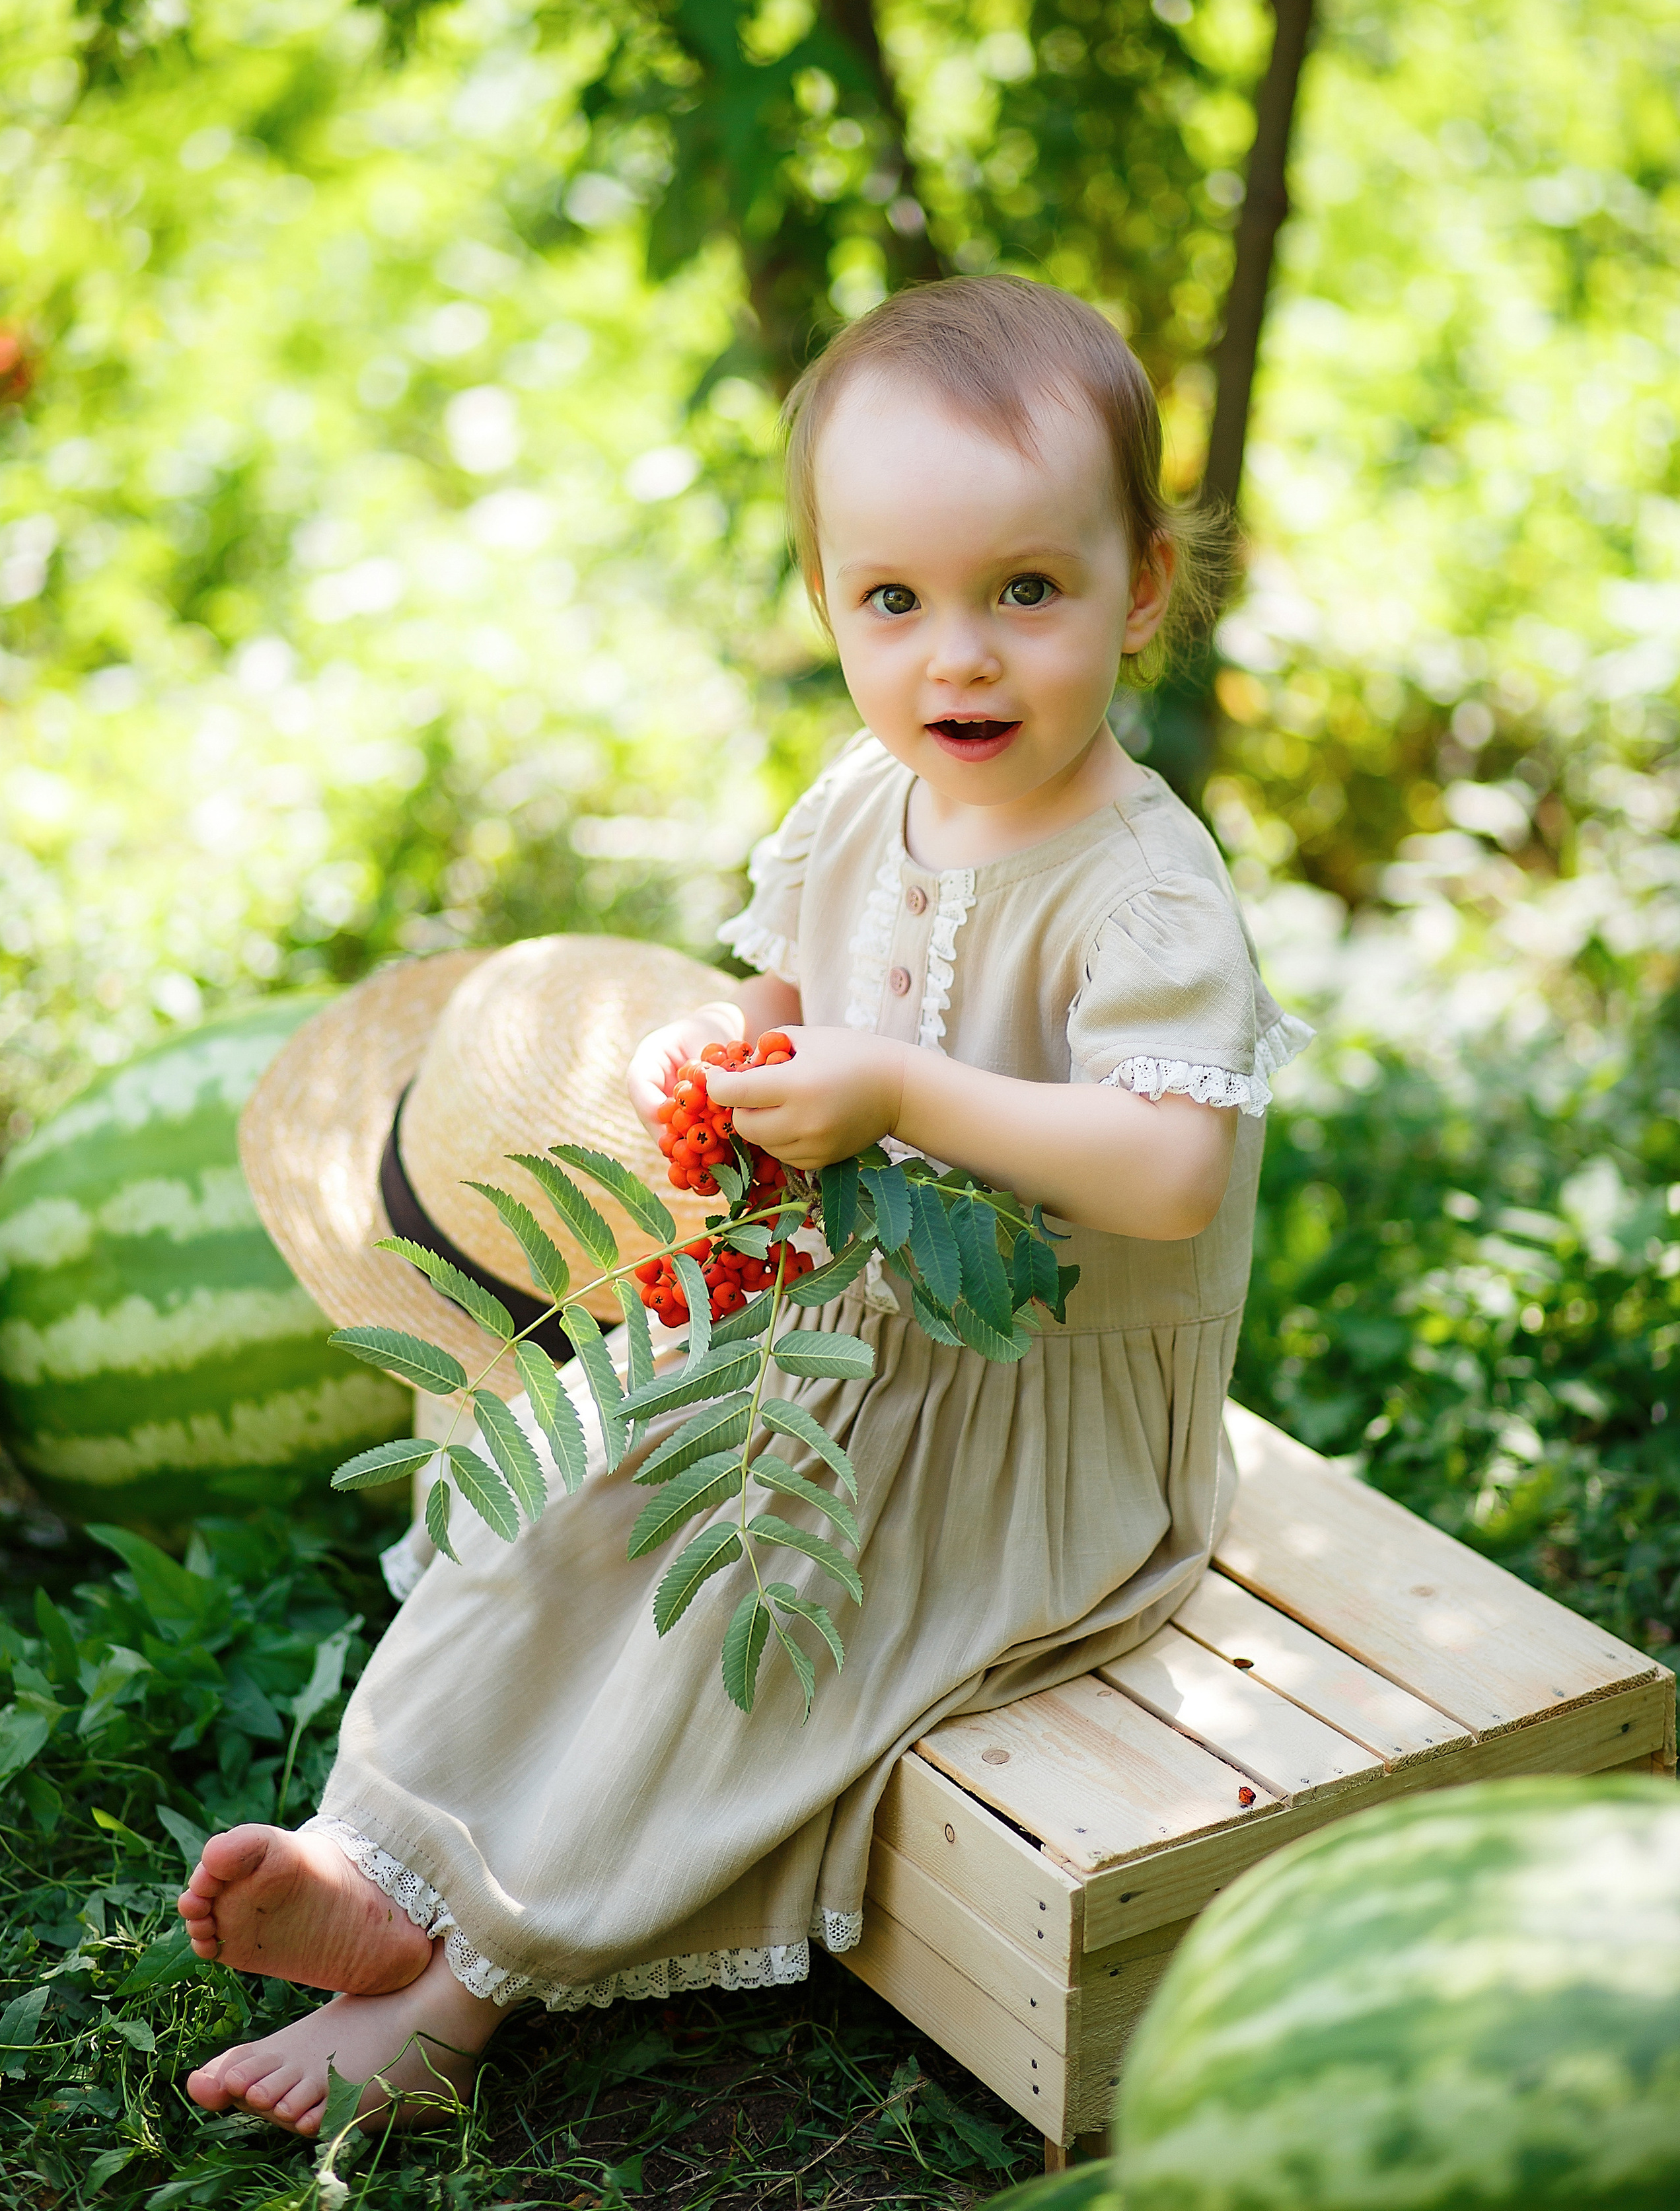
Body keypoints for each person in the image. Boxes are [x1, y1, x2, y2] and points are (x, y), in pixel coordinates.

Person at [177, 274, 1309, 2137]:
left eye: (1028, 590)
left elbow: (1171, 1168)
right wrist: (741, 1058)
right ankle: (376, 1852)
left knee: (740, 1619)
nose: (961, 658)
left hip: (1031, 1417)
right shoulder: (865, 803)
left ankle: (463, 1992)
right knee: (561, 1481)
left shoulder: (1146, 889)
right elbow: (792, 1002)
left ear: (1145, 590)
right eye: (897, 602)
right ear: (830, 605)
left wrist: (897, 1094)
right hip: (837, 1326)